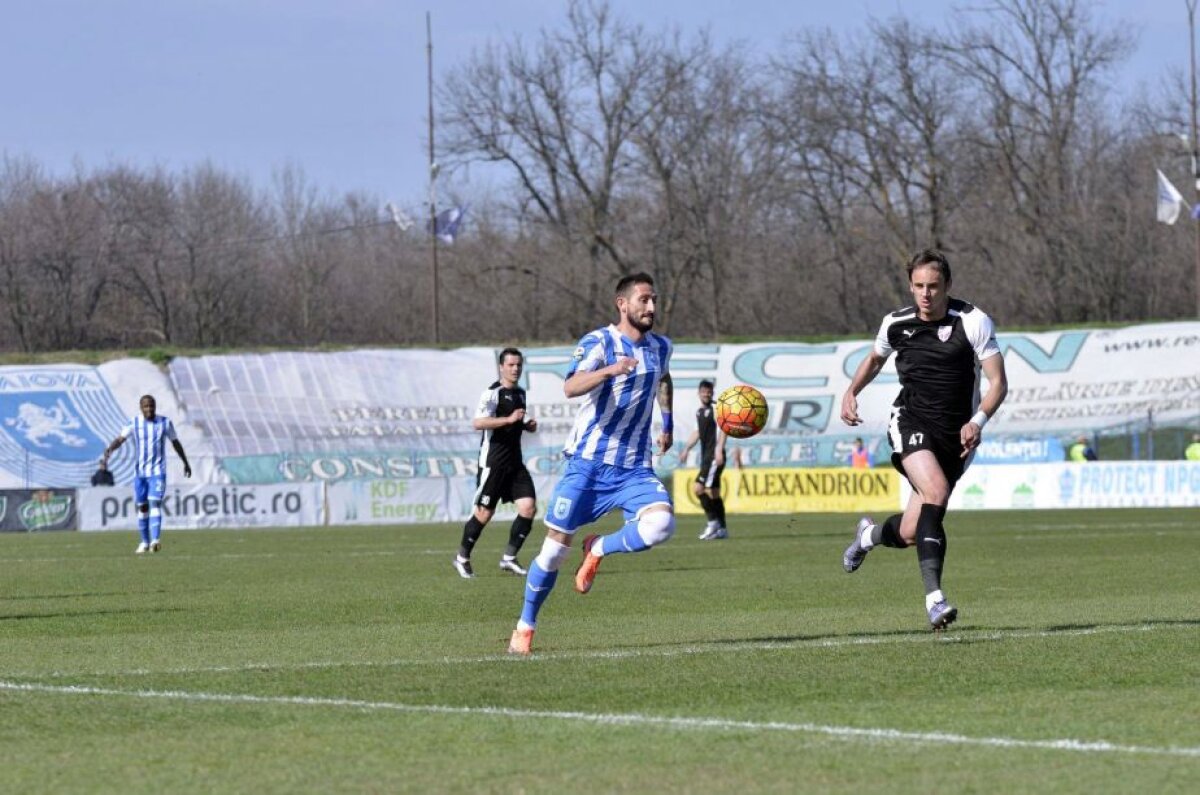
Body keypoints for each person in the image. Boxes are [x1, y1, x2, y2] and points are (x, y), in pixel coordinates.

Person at [839, 249, 1008, 631]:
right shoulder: (895, 323)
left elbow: (998, 383)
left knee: (914, 531)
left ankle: (868, 537)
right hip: (910, 420)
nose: (926, 294)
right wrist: (852, 392)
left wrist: (978, 420)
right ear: (910, 286)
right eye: (918, 286)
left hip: (958, 436)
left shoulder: (973, 321)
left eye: (933, 286)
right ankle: (935, 600)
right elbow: (875, 359)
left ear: (948, 285)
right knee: (935, 491)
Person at [507, 273, 674, 655]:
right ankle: (525, 626)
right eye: (644, 300)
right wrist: (608, 371)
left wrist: (667, 421)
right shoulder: (599, 342)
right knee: (552, 553)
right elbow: (571, 386)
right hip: (588, 465)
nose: (651, 307)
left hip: (634, 467)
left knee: (661, 524)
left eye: (654, 300)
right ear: (623, 304)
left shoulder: (661, 346)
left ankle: (598, 548)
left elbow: (664, 379)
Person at [453, 347, 539, 578]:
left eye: (519, 365)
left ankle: (509, 558)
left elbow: (514, 422)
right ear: (501, 367)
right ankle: (462, 558)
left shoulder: (520, 393)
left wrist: (525, 425)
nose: (515, 369)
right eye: (511, 365)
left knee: (528, 507)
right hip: (494, 462)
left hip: (515, 462)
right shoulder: (492, 393)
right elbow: (479, 423)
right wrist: (510, 419)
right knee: (484, 513)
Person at [102, 394, 192, 554]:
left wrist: (185, 462)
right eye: (146, 406)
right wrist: (110, 449)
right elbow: (121, 439)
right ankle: (144, 542)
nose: (149, 409)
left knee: (155, 503)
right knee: (142, 507)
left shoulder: (165, 423)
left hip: (158, 472)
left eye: (151, 406)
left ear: (155, 407)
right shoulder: (134, 423)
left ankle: (156, 540)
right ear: (141, 408)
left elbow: (175, 442)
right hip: (140, 473)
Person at [678, 379, 731, 540]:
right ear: (699, 393)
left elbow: (724, 429)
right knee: (714, 492)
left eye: (709, 391)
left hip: (714, 456)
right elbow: (697, 432)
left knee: (698, 488)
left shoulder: (717, 408)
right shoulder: (699, 411)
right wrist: (686, 448)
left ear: (712, 393)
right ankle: (722, 529)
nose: (706, 394)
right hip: (706, 456)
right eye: (703, 391)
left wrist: (719, 449)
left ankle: (712, 523)